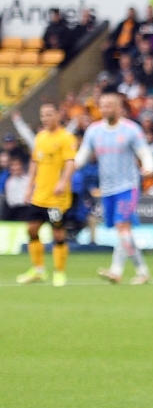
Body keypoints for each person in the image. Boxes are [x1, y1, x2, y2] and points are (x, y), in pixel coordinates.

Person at [75, 88, 153, 285]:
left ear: (119, 108)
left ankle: (116, 270)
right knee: (124, 231)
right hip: (107, 189)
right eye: (101, 106)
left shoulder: (130, 130)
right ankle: (143, 272)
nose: (104, 109)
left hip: (128, 187)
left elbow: (145, 153)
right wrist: (67, 166)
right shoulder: (94, 131)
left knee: (122, 226)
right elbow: (82, 157)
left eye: (108, 105)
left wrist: (148, 166)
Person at [15, 102, 76, 287]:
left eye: (49, 114)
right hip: (39, 195)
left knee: (57, 233)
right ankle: (39, 270)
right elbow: (34, 163)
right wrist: (29, 187)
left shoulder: (66, 138)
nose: (46, 118)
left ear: (58, 115)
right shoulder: (40, 138)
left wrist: (62, 182)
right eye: (43, 115)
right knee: (31, 229)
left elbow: (70, 163)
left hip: (57, 198)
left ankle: (59, 272)